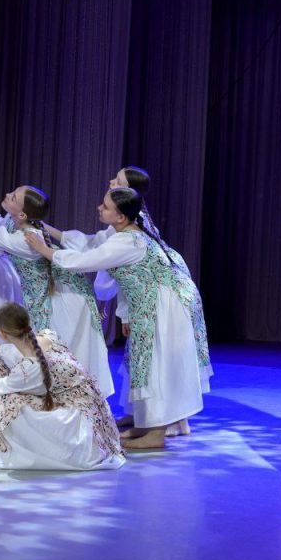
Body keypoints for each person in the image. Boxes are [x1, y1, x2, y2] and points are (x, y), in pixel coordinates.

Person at [26, 188, 212, 449]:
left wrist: (44, 249)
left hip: (165, 302)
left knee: (157, 364)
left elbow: (85, 260)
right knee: (143, 362)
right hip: (153, 301)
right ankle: (147, 424)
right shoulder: (125, 232)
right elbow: (91, 244)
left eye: (105, 206)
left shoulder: (127, 242)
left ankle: (156, 434)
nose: (99, 208)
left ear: (121, 217)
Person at [0, 303, 124, 470]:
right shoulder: (47, 336)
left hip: (79, 410)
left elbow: (2, 385)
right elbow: (22, 358)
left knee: (6, 404)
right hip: (88, 397)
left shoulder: (27, 370)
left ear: (2, 333)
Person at [0, 184, 113, 398]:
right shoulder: (13, 222)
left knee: (62, 349)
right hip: (45, 295)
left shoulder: (27, 239)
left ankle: (70, 395)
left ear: (23, 214)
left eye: (13, 198)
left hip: (64, 298)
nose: (7, 195)